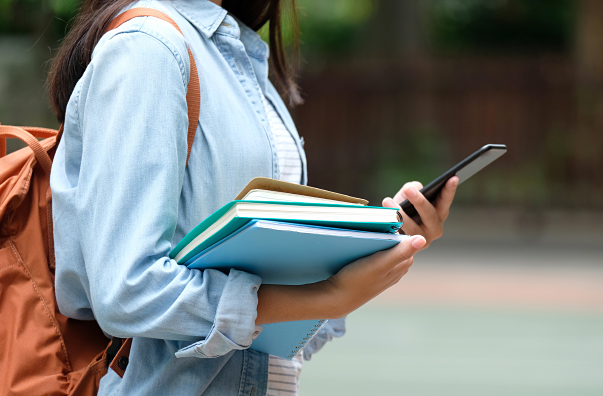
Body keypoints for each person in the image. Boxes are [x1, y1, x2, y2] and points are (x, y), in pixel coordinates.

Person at [48, 0, 458, 395]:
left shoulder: (233, 53)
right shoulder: (149, 47)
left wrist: (379, 245)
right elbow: (128, 290)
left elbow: (266, 339)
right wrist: (326, 296)